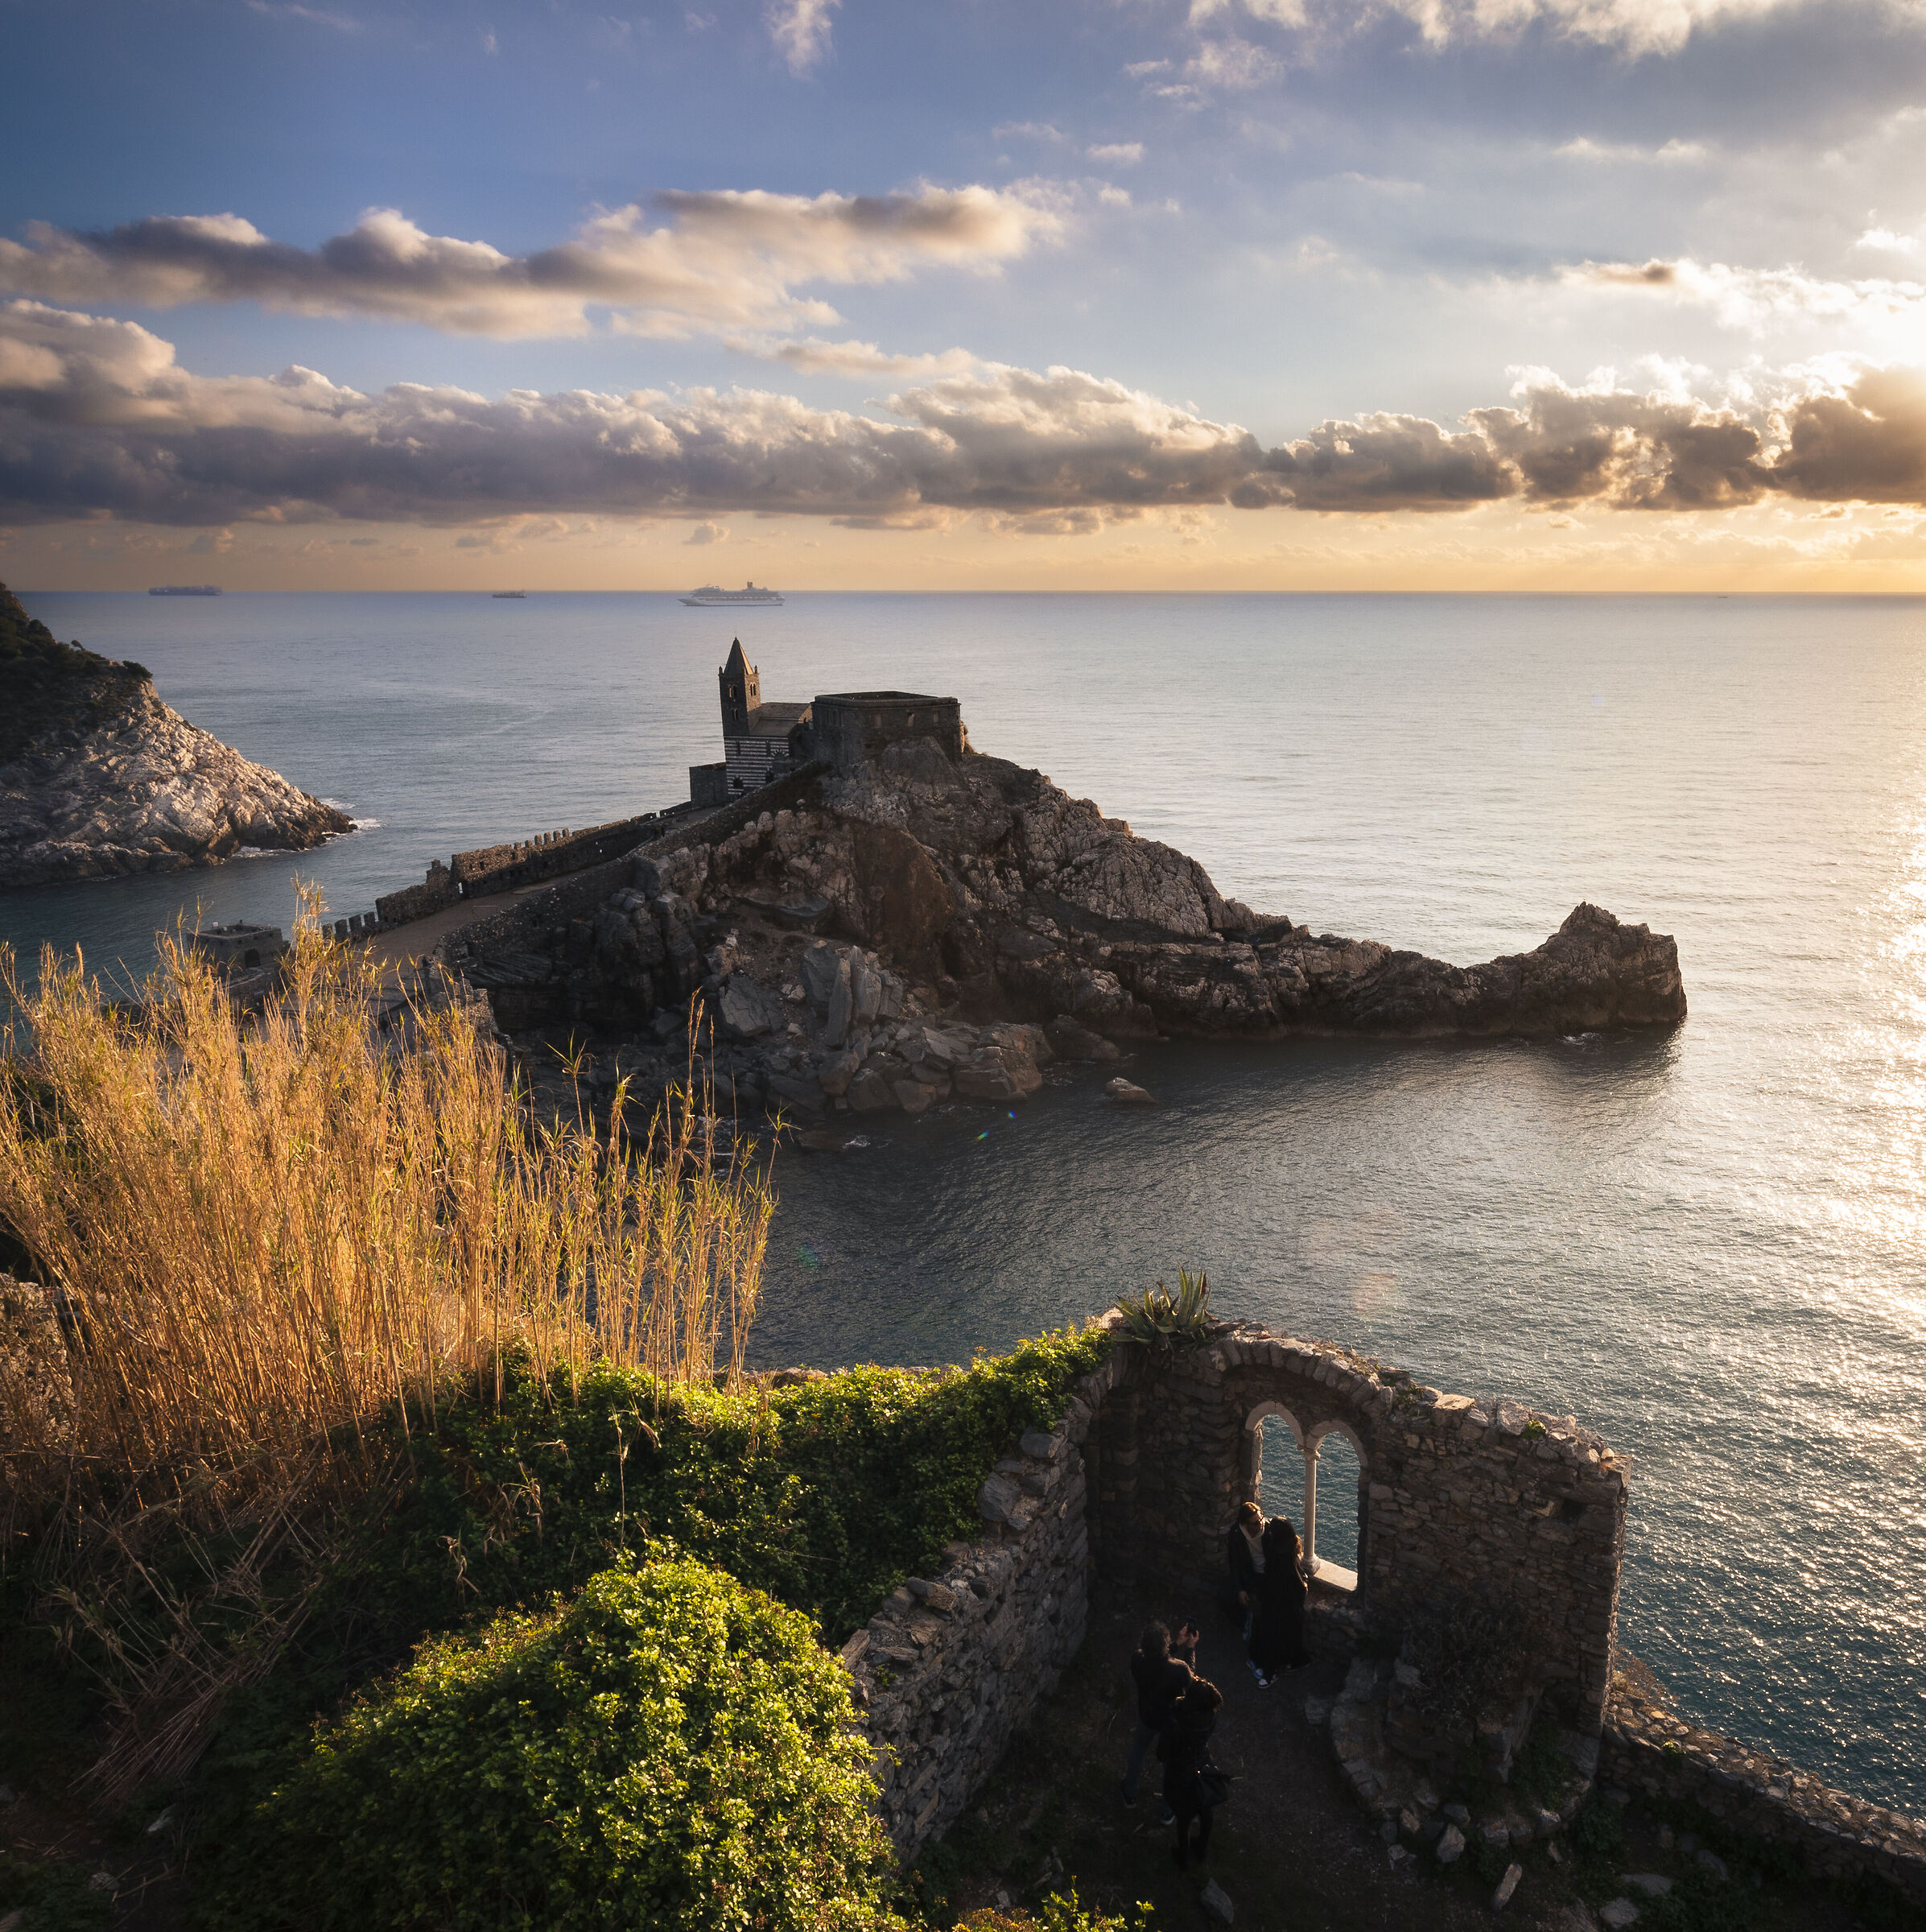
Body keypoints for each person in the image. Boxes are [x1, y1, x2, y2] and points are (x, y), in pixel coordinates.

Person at [1121, 1621, 1193, 1818]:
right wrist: (1190, 1650)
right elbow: (1192, 1684)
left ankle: (1130, 1794)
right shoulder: (1179, 1669)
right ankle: (1168, 1811)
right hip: (1171, 1723)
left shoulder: (1137, 1659)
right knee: (1170, 1765)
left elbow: (1156, 1659)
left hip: (1147, 1715)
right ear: (1165, 1644)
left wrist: (1177, 1642)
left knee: (1139, 1750)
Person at [1163, 1675, 1224, 1873]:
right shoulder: (1211, 1717)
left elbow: (1162, 1752)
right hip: (1204, 1765)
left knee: (1184, 1816)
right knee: (1205, 1808)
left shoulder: (1177, 1719)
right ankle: (1202, 1848)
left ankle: (1183, 1857)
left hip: (1181, 1772)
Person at [1246, 1515, 1309, 1687]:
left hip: (1279, 1607)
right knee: (1285, 1638)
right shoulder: (1287, 1549)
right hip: (1285, 1606)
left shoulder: (1282, 1557)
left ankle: (1270, 1673)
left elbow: (1290, 1583)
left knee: (1272, 1638)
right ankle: (1295, 1662)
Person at [1219, 1499, 1265, 1633]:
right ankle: (1244, 1625)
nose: (1260, 1524)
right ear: (1246, 1525)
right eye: (1256, 1523)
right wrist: (1240, 1589)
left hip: (1266, 1574)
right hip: (1249, 1574)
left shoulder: (1267, 1531)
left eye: (1261, 1518)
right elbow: (1234, 1563)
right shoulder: (1237, 1534)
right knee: (1224, 1597)